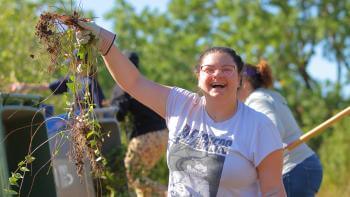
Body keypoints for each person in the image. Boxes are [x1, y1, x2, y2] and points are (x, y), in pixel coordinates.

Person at [75, 21, 286, 196]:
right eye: (209, 69)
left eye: (227, 70)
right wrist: (103, 43)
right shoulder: (181, 105)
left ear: (240, 79)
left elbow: (274, 191)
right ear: (199, 77)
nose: (217, 75)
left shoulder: (259, 126)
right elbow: (133, 82)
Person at [237, 60, 323, 196]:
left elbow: (274, 129)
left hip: (294, 169)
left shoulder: (256, 100)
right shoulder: (270, 95)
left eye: (236, 84)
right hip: (305, 165)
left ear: (245, 83)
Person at [110, 51, 168, 196]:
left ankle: (172, 193)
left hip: (145, 136)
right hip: (162, 135)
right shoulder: (143, 83)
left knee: (133, 175)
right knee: (140, 177)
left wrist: (112, 102)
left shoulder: (125, 85)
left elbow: (119, 114)